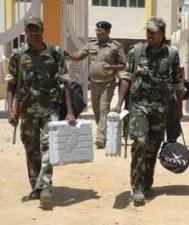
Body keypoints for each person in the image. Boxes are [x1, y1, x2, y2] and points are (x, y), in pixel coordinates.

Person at [113, 17, 183, 205]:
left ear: (162, 34)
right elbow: (126, 78)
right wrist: (119, 103)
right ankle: (137, 187)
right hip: (139, 106)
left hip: (161, 108)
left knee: (152, 148)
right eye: (148, 31)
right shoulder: (135, 51)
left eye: (154, 32)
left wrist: (179, 110)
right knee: (140, 143)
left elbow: (178, 82)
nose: (150, 34)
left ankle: (146, 184)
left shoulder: (171, 55)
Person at [6, 16, 76, 205]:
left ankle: (45, 186)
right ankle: (35, 187)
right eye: (29, 30)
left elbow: (66, 83)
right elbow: (11, 85)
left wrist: (69, 111)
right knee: (32, 150)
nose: (33, 33)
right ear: (25, 32)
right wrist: (10, 110)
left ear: (42, 30)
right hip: (27, 111)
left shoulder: (55, 53)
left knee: (47, 146)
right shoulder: (18, 55)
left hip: (49, 110)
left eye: (36, 29)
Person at [64, 21, 126, 149]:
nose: (97, 33)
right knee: (96, 109)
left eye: (100, 31)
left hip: (108, 83)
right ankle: (105, 131)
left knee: (104, 108)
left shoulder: (115, 46)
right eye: (96, 30)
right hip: (93, 83)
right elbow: (79, 56)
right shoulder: (91, 44)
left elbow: (123, 64)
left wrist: (112, 67)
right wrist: (70, 56)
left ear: (108, 31)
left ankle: (100, 138)